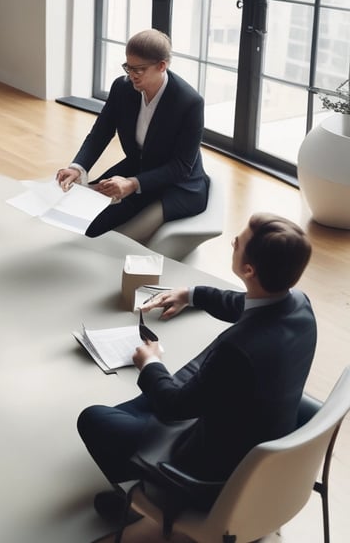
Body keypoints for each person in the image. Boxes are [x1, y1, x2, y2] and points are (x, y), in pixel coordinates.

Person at [77, 212, 316, 522]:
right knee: (147, 397)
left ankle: (143, 497)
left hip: (212, 467)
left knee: (94, 419)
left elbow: (174, 407)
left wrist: (149, 363)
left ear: (248, 269)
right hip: (262, 432)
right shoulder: (299, 304)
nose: (233, 241)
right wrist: (190, 295)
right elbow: (243, 303)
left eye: (238, 242)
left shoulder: (238, 351)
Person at [56, 29, 209, 240]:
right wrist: (77, 167)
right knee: (80, 207)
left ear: (162, 66)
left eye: (140, 69)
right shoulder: (122, 88)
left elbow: (181, 167)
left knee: (96, 227)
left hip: (176, 183)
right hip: (137, 166)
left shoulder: (189, 102)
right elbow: (101, 132)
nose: (131, 75)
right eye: (128, 67)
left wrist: (133, 184)